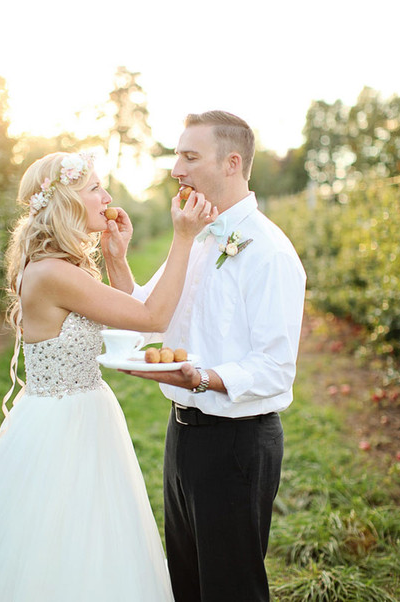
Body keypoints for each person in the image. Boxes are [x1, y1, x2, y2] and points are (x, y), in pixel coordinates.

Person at [0, 150, 217, 602]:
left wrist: (116, 258)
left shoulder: (62, 267)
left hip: (84, 415)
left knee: (98, 539)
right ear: (66, 202)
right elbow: (153, 317)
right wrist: (183, 238)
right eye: (94, 189)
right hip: (62, 427)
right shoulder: (53, 273)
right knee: (62, 545)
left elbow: (133, 327)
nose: (107, 198)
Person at [106, 111, 307, 602]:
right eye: (178, 156)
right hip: (182, 435)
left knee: (231, 588)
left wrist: (201, 378)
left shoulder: (270, 253)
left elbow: (276, 368)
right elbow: (145, 314)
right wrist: (116, 257)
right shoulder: (196, 239)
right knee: (188, 582)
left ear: (231, 163)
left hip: (237, 444)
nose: (177, 169)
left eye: (190, 157)